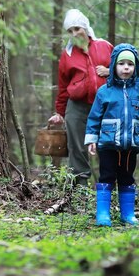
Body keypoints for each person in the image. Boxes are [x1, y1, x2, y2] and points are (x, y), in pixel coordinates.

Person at [85, 44, 139, 226]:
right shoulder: (104, 92)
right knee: (106, 177)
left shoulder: (138, 90)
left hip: (130, 145)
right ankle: (103, 215)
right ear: (113, 67)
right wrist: (92, 139)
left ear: (135, 68)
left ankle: (127, 214)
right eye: (122, 64)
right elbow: (94, 117)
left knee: (127, 178)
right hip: (108, 145)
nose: (126, 67)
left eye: (130, 64)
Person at [48, 9, 113, 186]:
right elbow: (63, 86)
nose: (74, 33)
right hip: (77, 106)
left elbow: (124, 70)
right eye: (70, 31)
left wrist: (109, 71)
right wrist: (60, 112)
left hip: (104, 106)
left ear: (85, 27)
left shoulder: (104, 46)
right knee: (77, 147)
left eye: (77, 28)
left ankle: (108, 188)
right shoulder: (67, 55)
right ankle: (80, 190)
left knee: (106, 146)